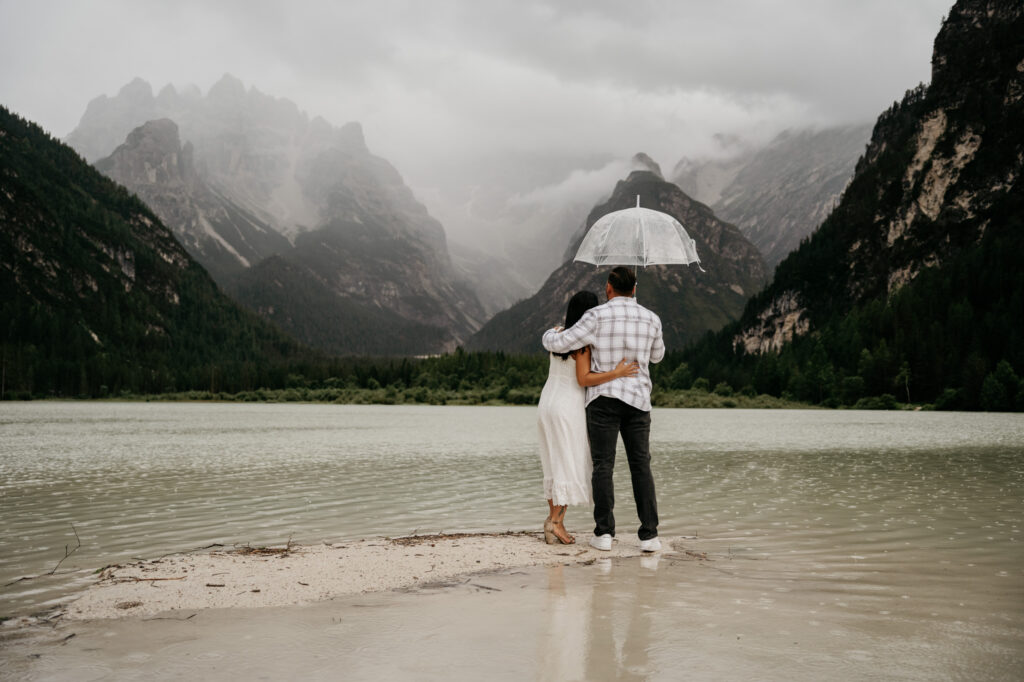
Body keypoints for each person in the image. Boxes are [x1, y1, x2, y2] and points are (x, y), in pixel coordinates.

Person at [542, 267, 666, 552]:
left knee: (603, 466)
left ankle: (604, 533)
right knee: (641, 466)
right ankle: (649, 536)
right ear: (634, 289)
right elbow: (658, 356)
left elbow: (559, 342)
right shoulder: (652, 318)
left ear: (609, 288)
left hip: (603, 401)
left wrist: (550, 332)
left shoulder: (595, 316)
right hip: (638, 402)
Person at [538, 290, 640, 545]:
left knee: (552, 462)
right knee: (568, 462)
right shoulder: (582, 343)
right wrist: (616, 373)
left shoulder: (558, 334)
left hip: (547, 402)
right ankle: (556, 523)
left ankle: (553, 520)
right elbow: (583, 379)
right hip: (567, 405)